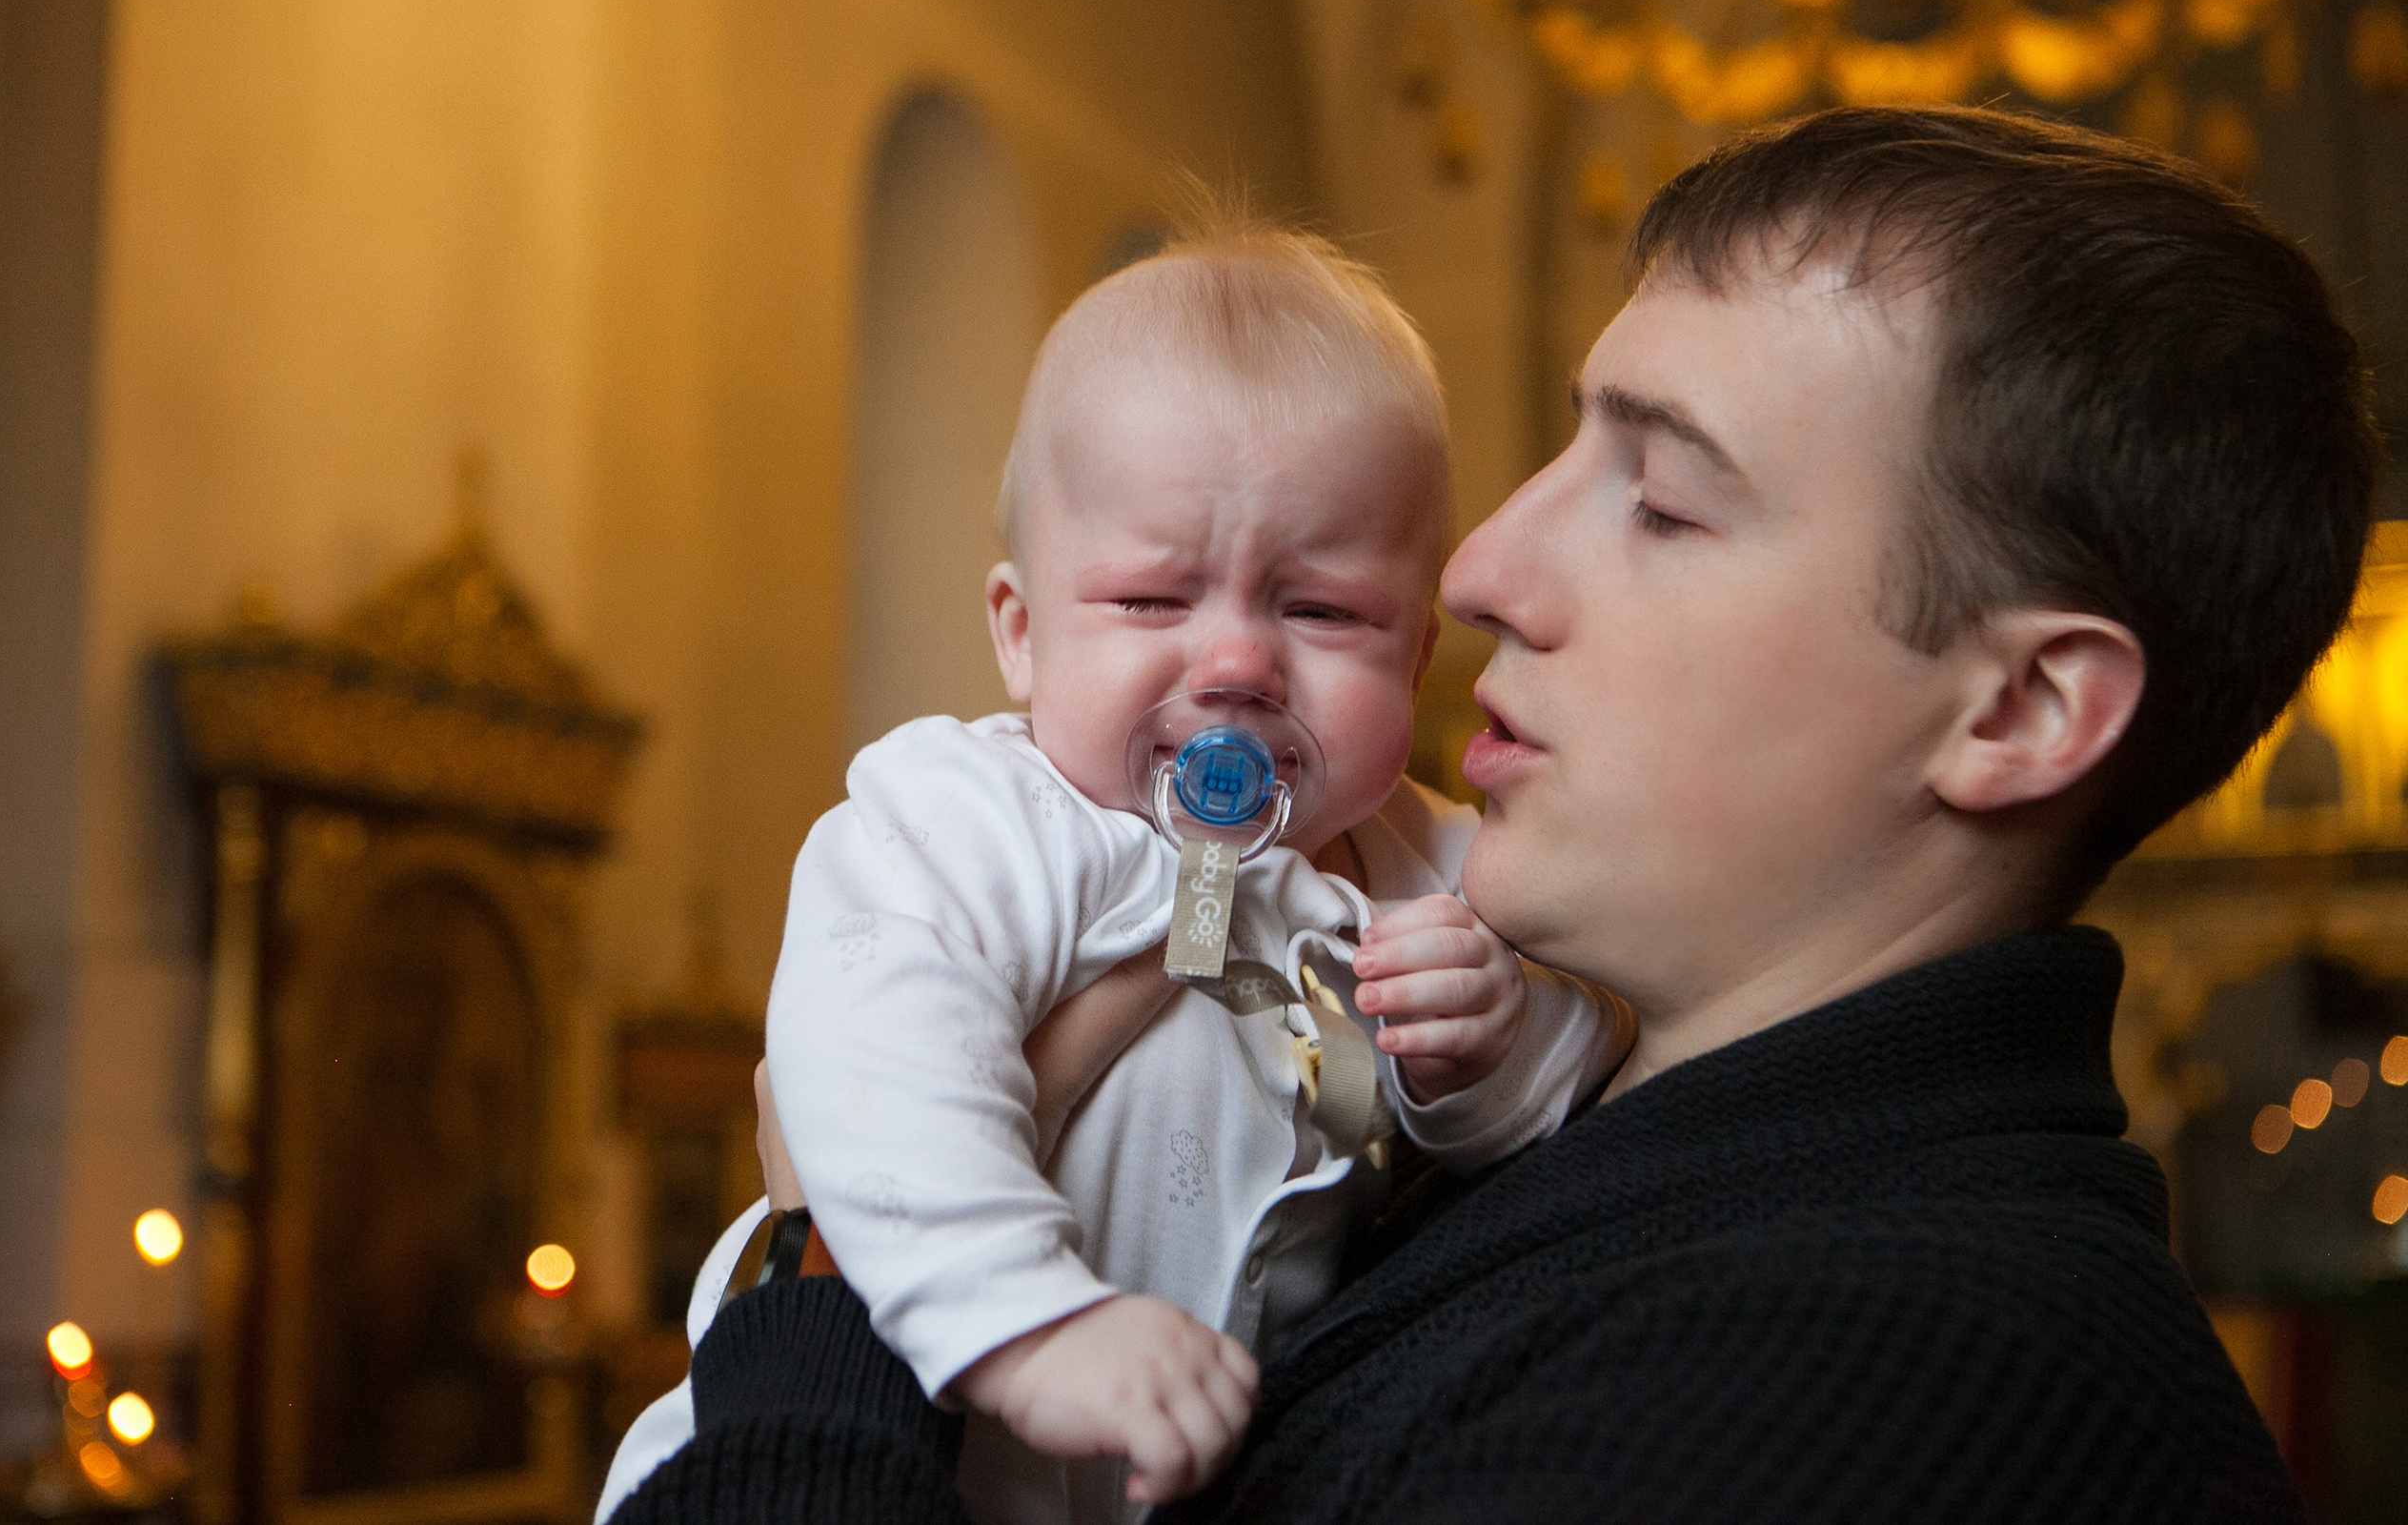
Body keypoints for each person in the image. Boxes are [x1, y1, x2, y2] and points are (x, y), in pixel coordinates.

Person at [613, 106, 2375, 1524]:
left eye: (1664, 504)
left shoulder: (1879, 1396)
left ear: (2018, 709)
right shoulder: (1659, 1188)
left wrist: (826, 1284)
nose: (1475, 573)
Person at [598, 213, 1621, 1525]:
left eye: (1320, 611)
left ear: (1415, 661)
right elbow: (872, 1069)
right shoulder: (974, 818)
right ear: (1022, 638)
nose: (1239, 663)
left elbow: (1576, 1084)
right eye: (1152, 600)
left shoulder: (1433, 868)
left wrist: (1498, 1036)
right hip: (882, 1445)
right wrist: (1032, 1325)